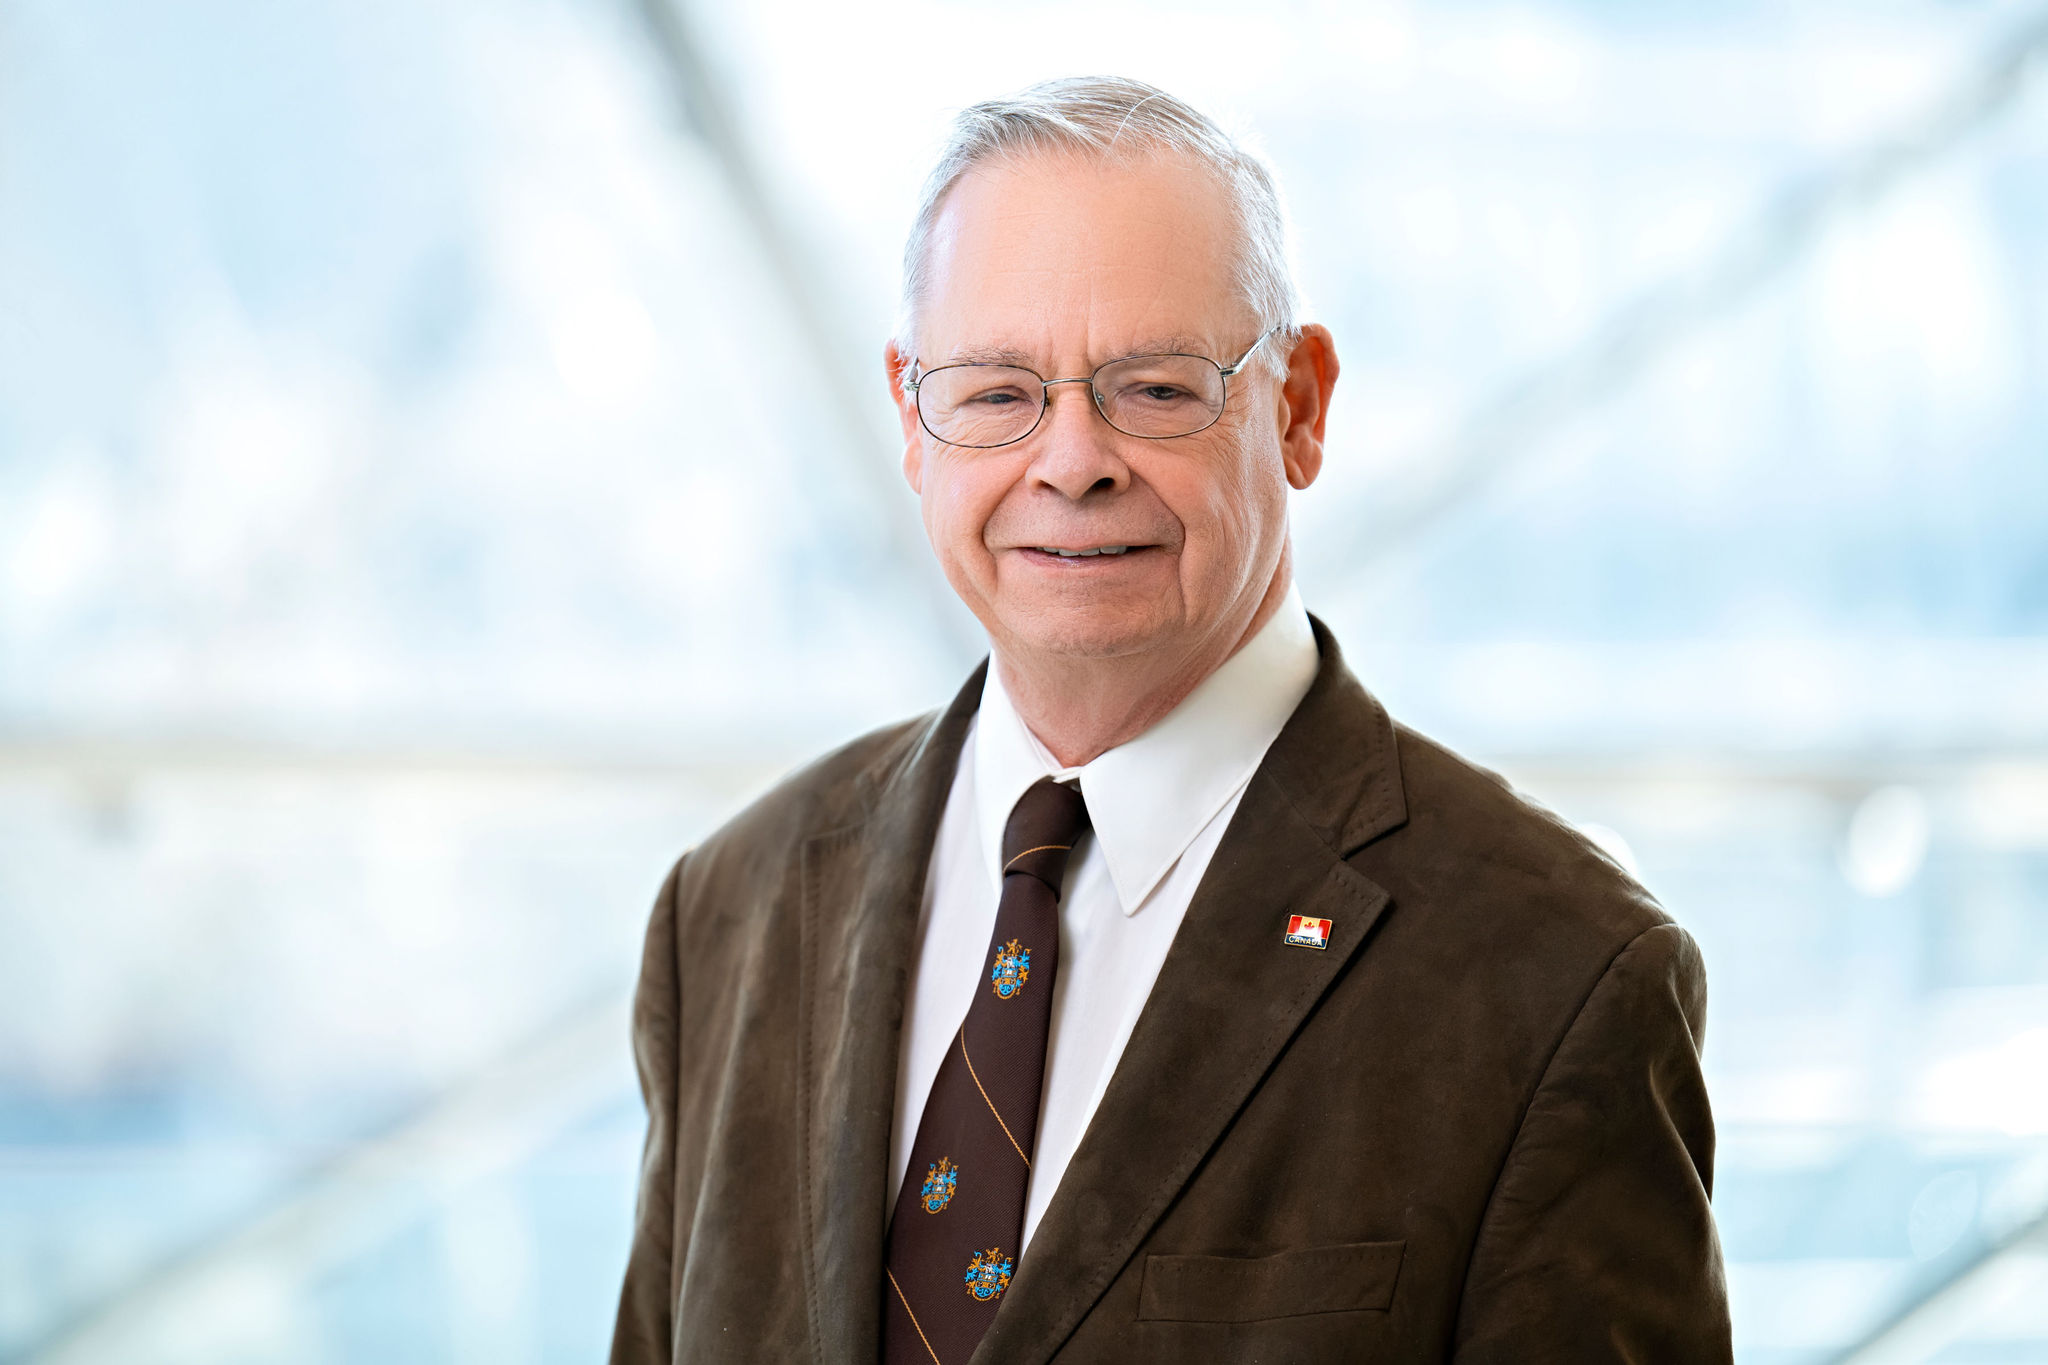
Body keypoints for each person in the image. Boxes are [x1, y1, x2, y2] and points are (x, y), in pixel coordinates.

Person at [611, 76, 1732, 1364]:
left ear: (1300, 407)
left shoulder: (1558, 977)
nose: (1071, 460)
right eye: (994, 393)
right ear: (911, 421)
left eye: (1152, 389)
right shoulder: (732, 912)